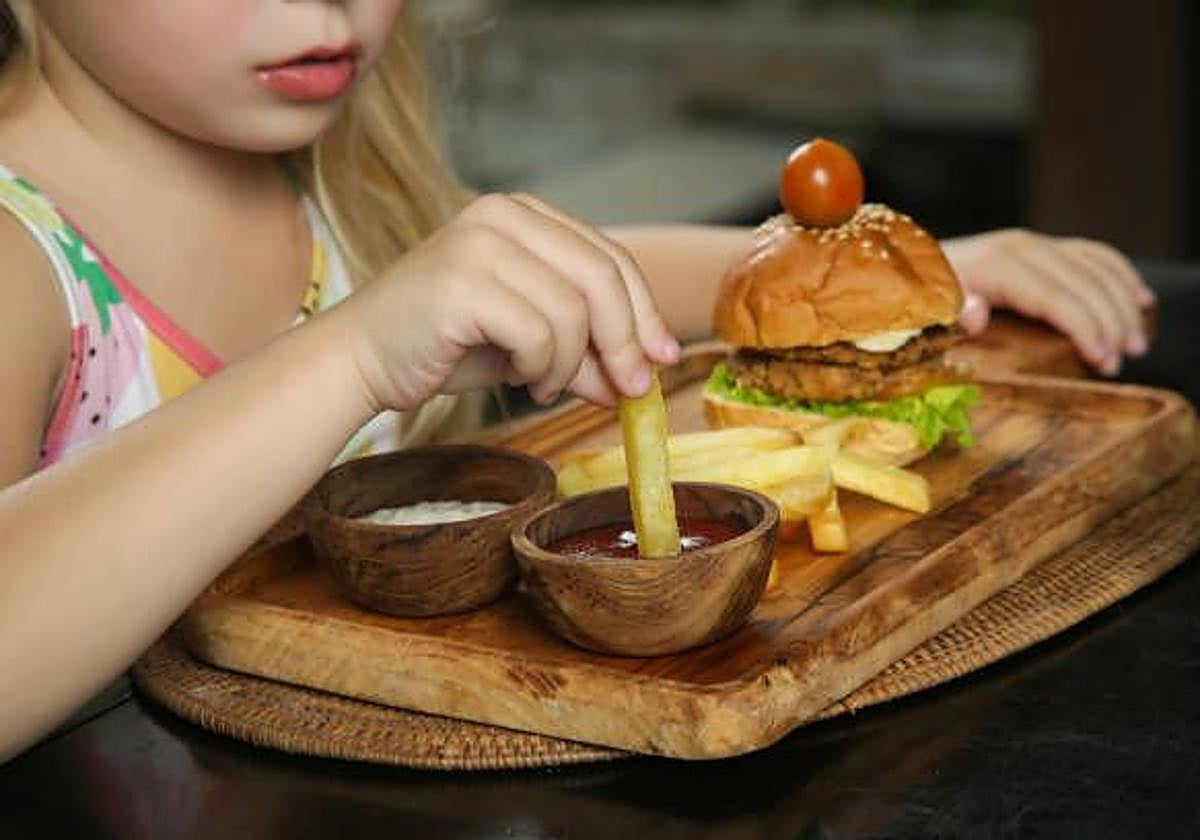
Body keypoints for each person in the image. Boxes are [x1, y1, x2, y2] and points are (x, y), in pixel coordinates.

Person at [0, 1, 1151, 761]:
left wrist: (916, 270)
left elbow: (586, 271)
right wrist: (352, 353)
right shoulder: (22, 256)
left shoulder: (330, 188)